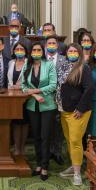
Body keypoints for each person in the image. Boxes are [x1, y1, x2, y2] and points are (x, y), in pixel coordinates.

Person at [56, 43, 93, 186]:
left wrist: (81, 108)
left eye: (74, 51)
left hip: (78, 111)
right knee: (69, 140)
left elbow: (89, 89)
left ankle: (77, 173)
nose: (72, 53)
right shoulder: (63, 66)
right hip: (63, 109)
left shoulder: (84, 68)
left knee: (76, 140)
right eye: (69, 51)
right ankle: (74, 165)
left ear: (79, 53)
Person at [21, 42, 57, 181]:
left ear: (42, 51)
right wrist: (34, 95)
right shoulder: (27, 65)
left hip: (47, 105)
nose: (36, 52)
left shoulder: (49, 65)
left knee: (45, 136)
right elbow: (24, 86)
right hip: (32, 106)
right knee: (36, 136)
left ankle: (45, 166)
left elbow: (53, 85)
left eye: (39, 50)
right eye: (34, 50)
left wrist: (37, 91)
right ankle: (38, 164)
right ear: (30, 52)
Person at [45, 35, 66, 165]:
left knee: (58, 127)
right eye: (49, 43)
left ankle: (57, 152)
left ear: (57, 45)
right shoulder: (41, 60)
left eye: (54, 43)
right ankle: (46, 152)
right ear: (46, 46)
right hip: (45, 98)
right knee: (46, 127)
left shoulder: (64, 60)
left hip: (60, 98)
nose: (51, 45)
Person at [8, 42, 29, 156]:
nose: (19, 51)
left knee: (25, 123)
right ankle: (16, 148)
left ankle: (23, 147)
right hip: (13, 98)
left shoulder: (28, 63)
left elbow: (31, 81)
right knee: (15, 123)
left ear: (25, 51)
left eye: (22, 49)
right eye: (17, 49)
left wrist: (20, 87)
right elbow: (8, 80)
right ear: (14, 51)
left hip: (25, 97)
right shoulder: (11, 63)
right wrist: (11, 88)